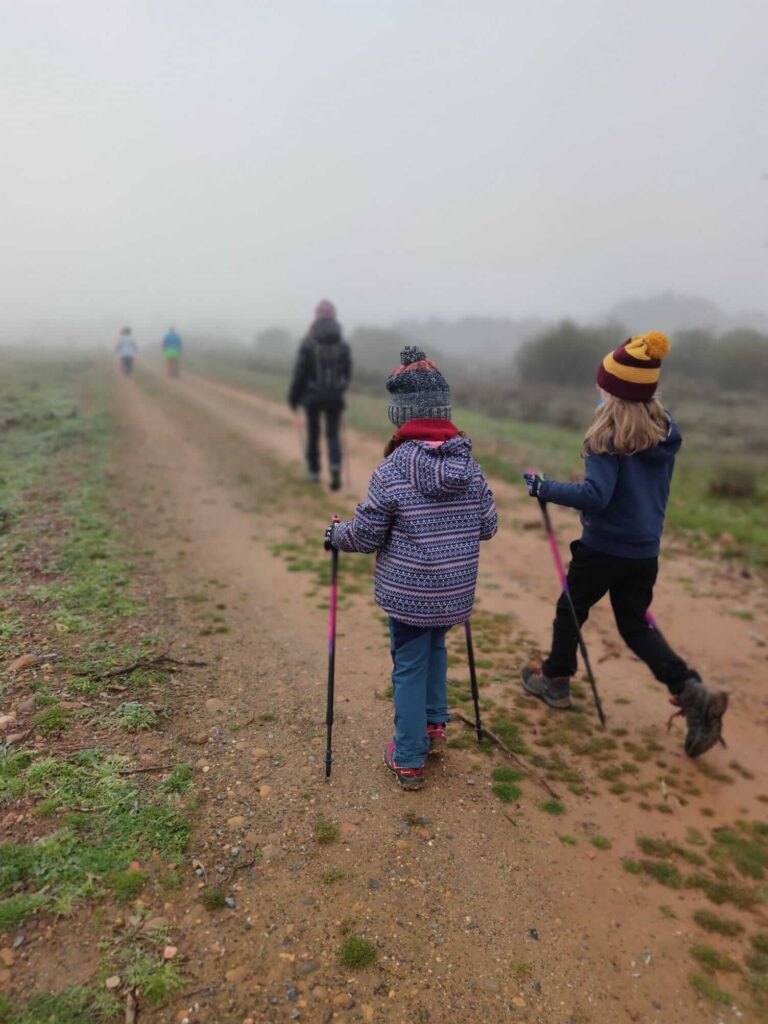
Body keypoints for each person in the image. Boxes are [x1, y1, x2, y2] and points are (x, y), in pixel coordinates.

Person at [520, 331, 727, 757]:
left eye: (603, 383)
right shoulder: (664, 433)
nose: (598, 388)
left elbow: (597, 496)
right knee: (634, 625)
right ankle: (689, 689)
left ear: (611, 391)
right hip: (644, 552)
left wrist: (545, 488)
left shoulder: (607, 436)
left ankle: (556, 681)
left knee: (570, 610)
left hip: (603, 548)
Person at [325, 346, 498, 790]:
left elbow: (365, 536)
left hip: (409, 596)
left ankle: (407, 756)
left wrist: (335, 535)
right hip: (453, 592)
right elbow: (488, 525)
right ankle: (435, 725)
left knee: (408, 664)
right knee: (435, 649)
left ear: (399, 416)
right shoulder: (470, 467)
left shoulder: (393, 469)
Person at [288, 300, 351, 490]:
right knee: (333, 433)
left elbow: (300, 372)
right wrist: (341, 390)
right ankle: (335, 469)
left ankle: (314, 472)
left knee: (313, 433)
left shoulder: (308, 341)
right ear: (334, 315)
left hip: (312, 397)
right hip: (334, 397)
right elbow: (346, 373)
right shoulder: (342, 343)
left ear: (316, 316)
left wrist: (294, 398)